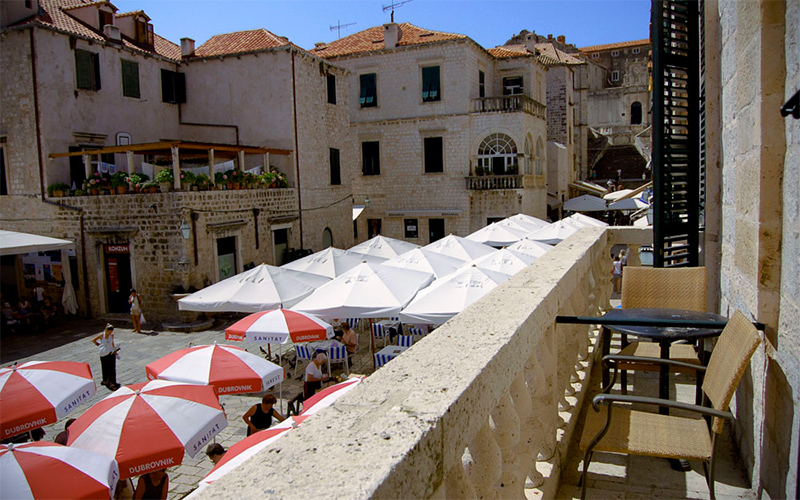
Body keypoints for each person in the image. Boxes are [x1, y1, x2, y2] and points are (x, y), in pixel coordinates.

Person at [92, 324, 120, 390]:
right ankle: (105, 380)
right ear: (106, 330)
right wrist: (98, 344)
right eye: (109, 332)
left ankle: (112, 383)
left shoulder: (112, 335)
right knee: (105, 367)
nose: (110, 333)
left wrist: (115, 350)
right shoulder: (102, 335)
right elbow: (93, 340)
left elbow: (112, 343)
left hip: (110, 352)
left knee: (112, 368)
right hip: (103, 353)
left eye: (111, 332)